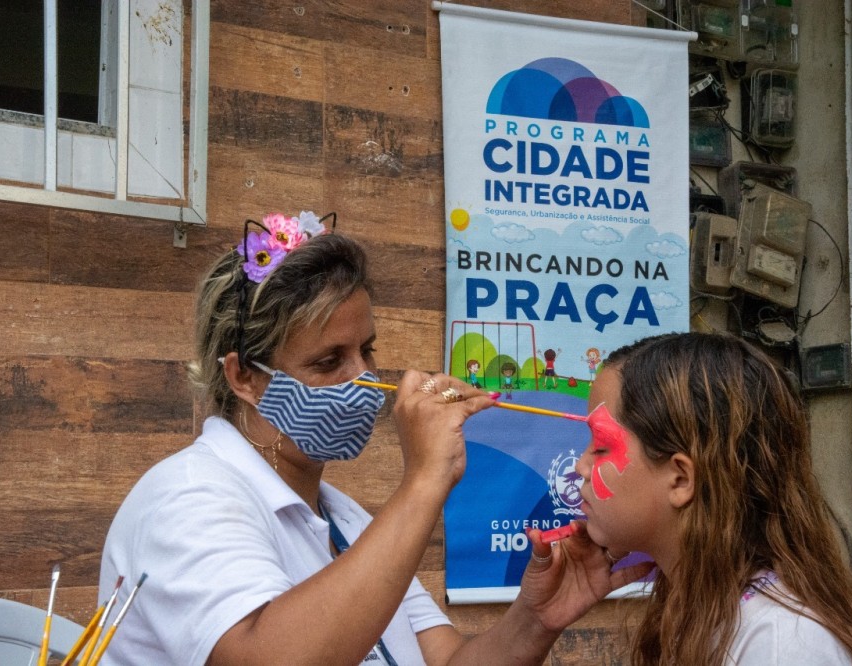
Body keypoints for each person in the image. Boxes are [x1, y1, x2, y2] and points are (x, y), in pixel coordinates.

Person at [96, 211, 648, 666]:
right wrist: (425, 480)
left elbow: (447, 662)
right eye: (329, 361)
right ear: (244, 377)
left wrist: (536, 617)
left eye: (368, 351)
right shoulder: (187, 499)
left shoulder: (348, 521)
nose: (363, 378)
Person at [569, 332, 852, 665]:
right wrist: (536, 621)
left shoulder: (782, 647)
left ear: (681, 479)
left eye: (600, 447)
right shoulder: (697, 608)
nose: (580, 466)